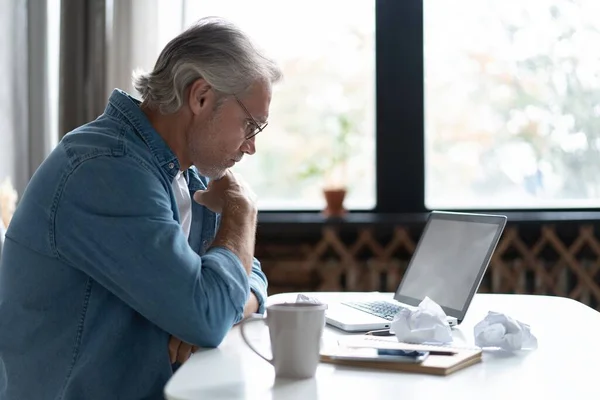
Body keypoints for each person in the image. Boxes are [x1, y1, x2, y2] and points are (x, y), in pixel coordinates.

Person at [0, 17, 282, 400]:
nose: (251, 146)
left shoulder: (182, 172)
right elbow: (212, 310)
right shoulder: (105, 169)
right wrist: (242, 210)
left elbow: (247, 275)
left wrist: (212, 308)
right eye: (250, 125)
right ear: (200, 96)